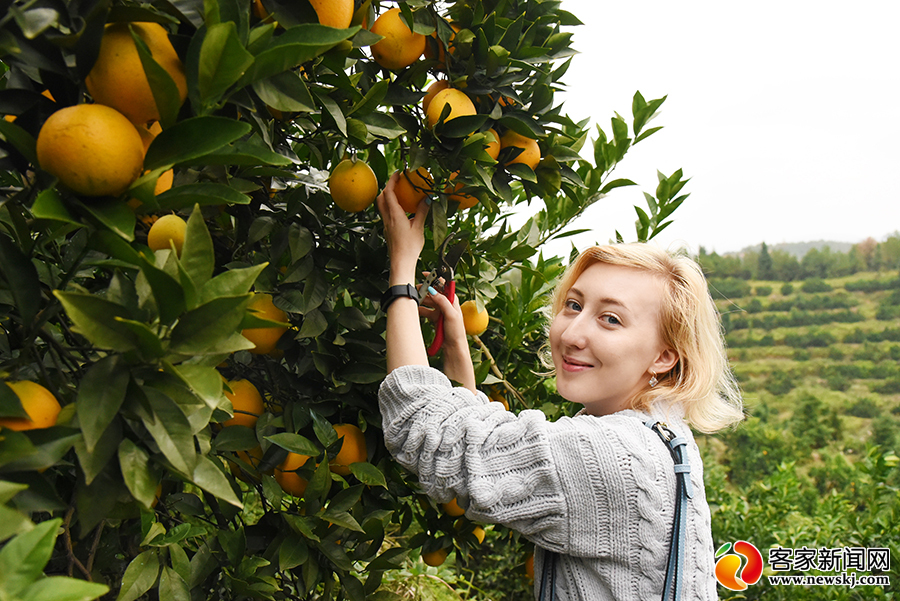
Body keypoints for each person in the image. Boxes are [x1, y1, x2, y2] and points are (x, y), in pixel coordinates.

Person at [375, 171, 744, 600]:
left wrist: (401, 270)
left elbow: (428, 433)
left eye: (611, 319)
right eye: (573, 305)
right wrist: (457, 342)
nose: (571, 335)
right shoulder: (661, 436)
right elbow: (483, 452)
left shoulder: (607, 457)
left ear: (665, 356)